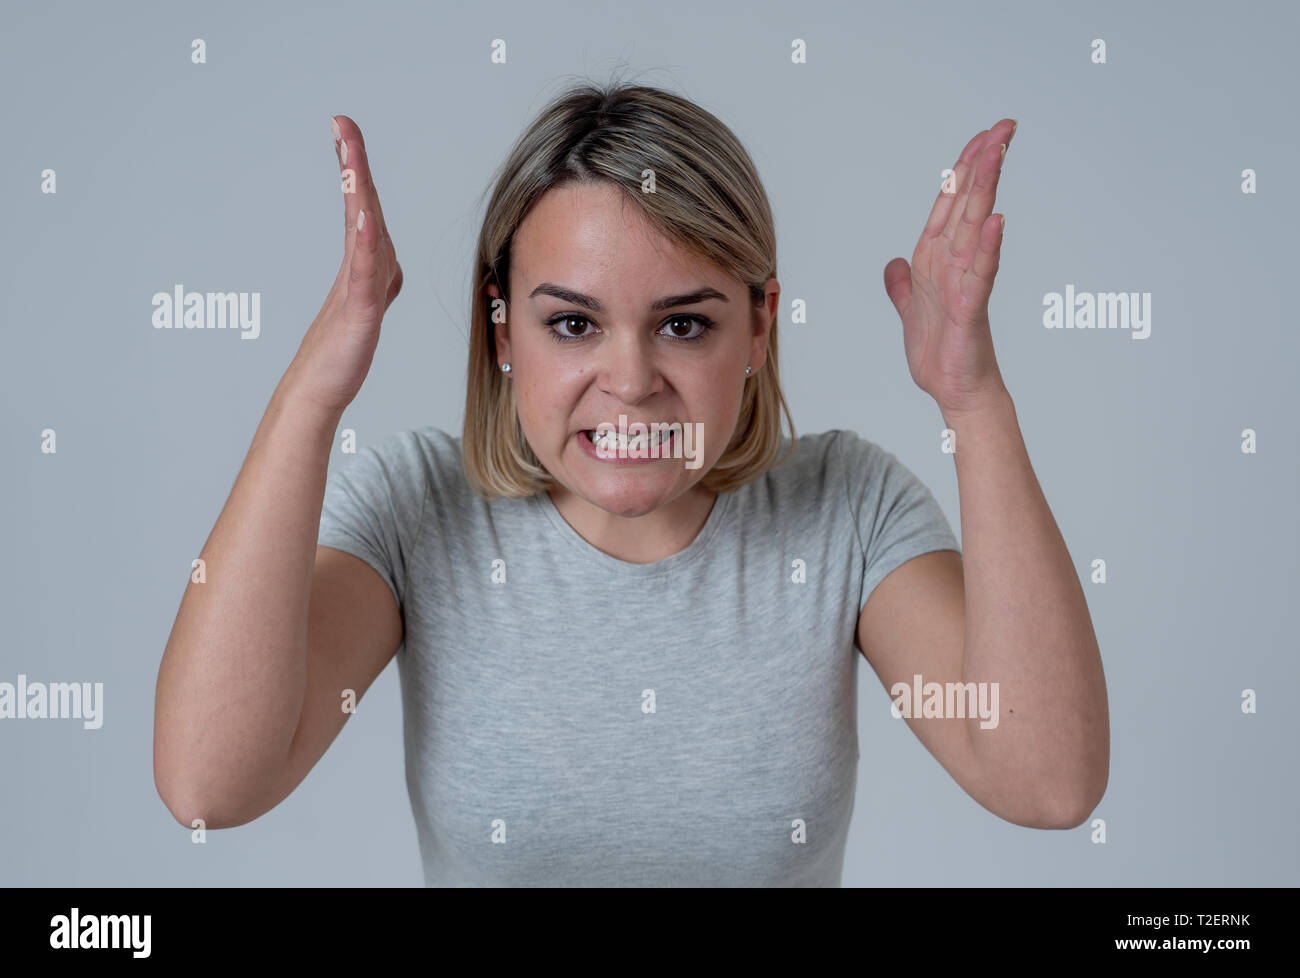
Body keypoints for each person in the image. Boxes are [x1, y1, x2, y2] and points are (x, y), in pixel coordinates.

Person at [154, 78, 1109, 887]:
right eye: (572, 324)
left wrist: (973, 402)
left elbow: (1048, 781)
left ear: (759, 327)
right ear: (502, 333)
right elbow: (210, 785)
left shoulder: (845, 507)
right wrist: (311, 395)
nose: (631, 380)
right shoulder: (418, 509)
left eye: (684, 324)